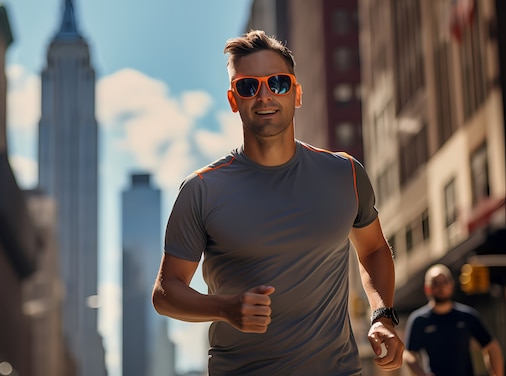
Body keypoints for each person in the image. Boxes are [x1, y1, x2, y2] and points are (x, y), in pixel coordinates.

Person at [152, 30, 404, 374]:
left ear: (297, 93)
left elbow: (373, 249)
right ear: (233, 100)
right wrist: (226, 308)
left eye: (278, 83)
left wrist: (382, 316)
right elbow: (166, 292)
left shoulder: (345, 173)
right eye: (248, 86)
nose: (264, 95)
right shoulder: (200, 189)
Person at [404, 264, 504, 376]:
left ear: (451, 284)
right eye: (435, 283)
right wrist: (421, 374)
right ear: (427, 288)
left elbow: (492, 347)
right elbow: (409, 355)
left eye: (444, 282)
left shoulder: (467, 316)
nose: (440, 287)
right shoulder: (419, 320)